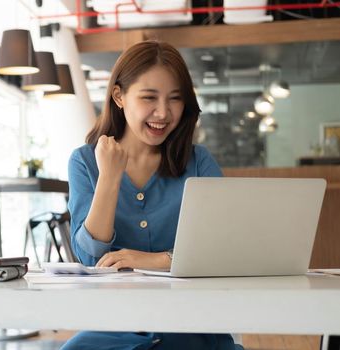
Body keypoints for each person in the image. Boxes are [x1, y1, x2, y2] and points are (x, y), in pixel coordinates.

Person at [62, 40, 243, 350]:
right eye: (149, 97)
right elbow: (92, 260)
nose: (163, 112)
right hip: (118, 327)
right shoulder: (84, 161)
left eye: (175, 99)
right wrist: (109, 177)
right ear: (119, 96)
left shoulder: (199, 162)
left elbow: (225, 251)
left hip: (193, 326)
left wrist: (155, 260)